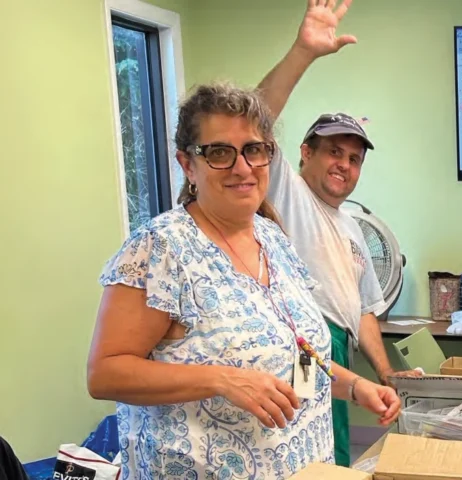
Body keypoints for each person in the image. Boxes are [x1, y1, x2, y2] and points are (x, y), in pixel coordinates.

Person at [86, 82, 401, 479]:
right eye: (220, 152)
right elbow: (105, 373)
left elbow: (295, 353)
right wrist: (221, 380)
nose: (242, 167)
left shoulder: (271, 237)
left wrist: (355, 386)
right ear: (188, 164)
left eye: (254, 150)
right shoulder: (160, 248)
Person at [253, 0, 420, 466]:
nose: (344, 166)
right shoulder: (286, 191)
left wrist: (387, 373)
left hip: (339, 344)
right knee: (303, 445)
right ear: (305, 153)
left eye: (354, 159)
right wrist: (302, 52)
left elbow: (363, 310)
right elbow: (254, 123)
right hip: (302, 344)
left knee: (334, 446)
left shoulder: (350, 227)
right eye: (334, 152)